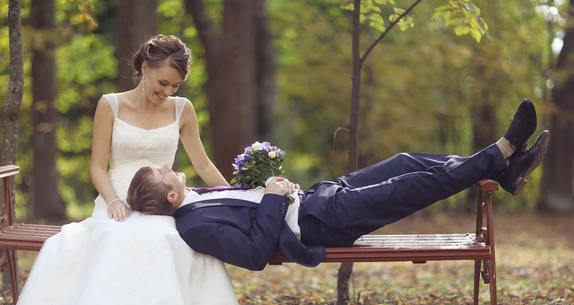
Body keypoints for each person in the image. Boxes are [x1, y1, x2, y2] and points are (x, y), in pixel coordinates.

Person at [0, 35, 259, 305]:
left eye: (175, 86)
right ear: (144, 68)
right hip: (117, 195)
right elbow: (97, 165)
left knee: (175, 240)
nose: (167, 91)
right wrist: (112, 201)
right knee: (117, 236)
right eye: (163, 82)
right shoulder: (111, 104)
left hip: (166, 198)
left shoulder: (183, 109)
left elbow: (203, 165)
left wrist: (236, 197)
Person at [127, 100, 550, 271]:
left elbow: (250, 203)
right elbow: (255, 254)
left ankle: (506, 170)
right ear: (169, 195)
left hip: (317, 197)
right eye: (161, 171)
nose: (167, 165)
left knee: (406, 161)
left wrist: (270, 184)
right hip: (318, 224)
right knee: (413, 184)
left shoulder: (200, 196)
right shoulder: (194, 226)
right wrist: (273, 198)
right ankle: (504, 149)